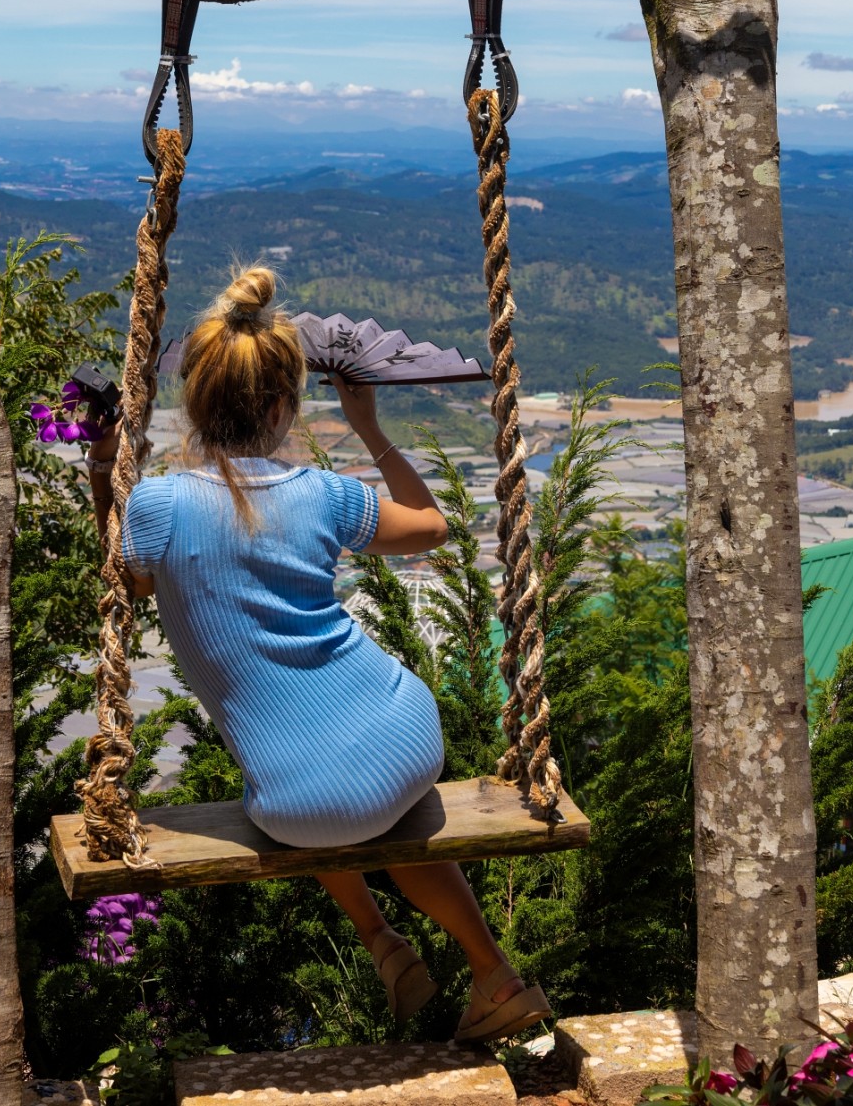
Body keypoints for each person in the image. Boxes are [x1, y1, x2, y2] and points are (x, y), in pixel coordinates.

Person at [86, 264, 549, 1043]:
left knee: (311, 797)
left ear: (196, 404)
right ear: (283, 406)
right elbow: (433, 529)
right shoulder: (322, 492)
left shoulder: (158, 505)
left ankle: (381, 942)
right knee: (382, 811)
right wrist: (370, 430)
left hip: (297, 801)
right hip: (407, 736)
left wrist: (103, 468)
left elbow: (123, 582)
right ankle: (493, 973)